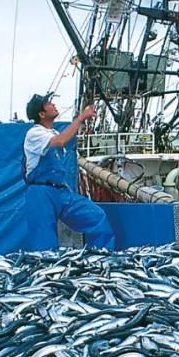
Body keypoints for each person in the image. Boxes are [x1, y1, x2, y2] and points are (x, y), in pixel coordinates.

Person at [23, 93, 116, 251]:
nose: (53, 104)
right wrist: (81, 118)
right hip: (41, 193)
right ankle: (47, 265)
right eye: (48, 103)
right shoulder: (34, 134)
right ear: (41, 114)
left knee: (96, 217)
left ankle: (101, 258)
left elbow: (61, 139)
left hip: (61, 192)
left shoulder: (53, 133)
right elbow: (61, 141)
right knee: (44, 245)